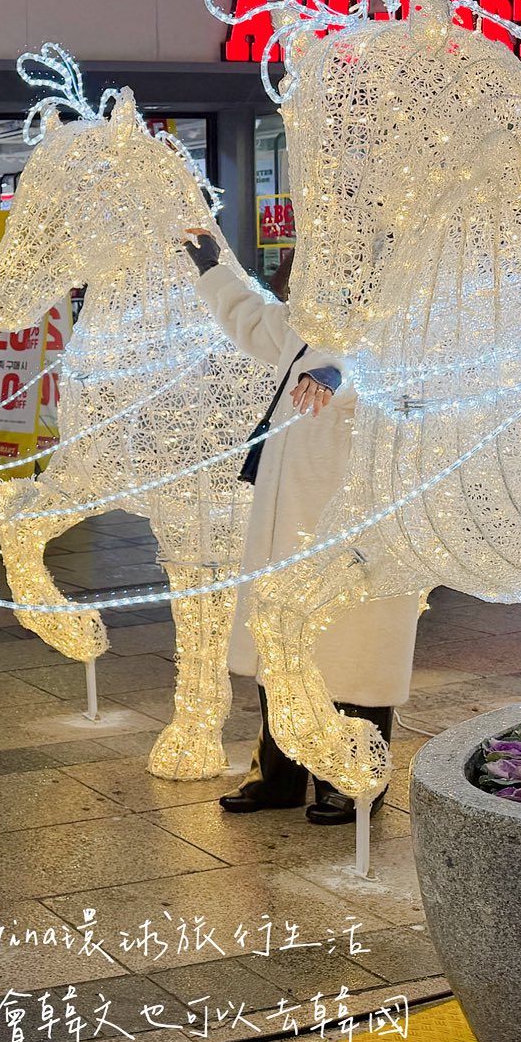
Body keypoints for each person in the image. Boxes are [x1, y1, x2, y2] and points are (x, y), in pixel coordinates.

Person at [182, 227, 421, 825]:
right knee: (280, 642)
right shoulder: (305, 327)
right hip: (286, 522)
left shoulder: (394, 328)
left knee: (352, 648)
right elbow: (254, 319)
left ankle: (354, 775)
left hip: (352, 527)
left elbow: (378, 374)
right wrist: (215, 267)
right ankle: (279, 774)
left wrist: (336, 379)